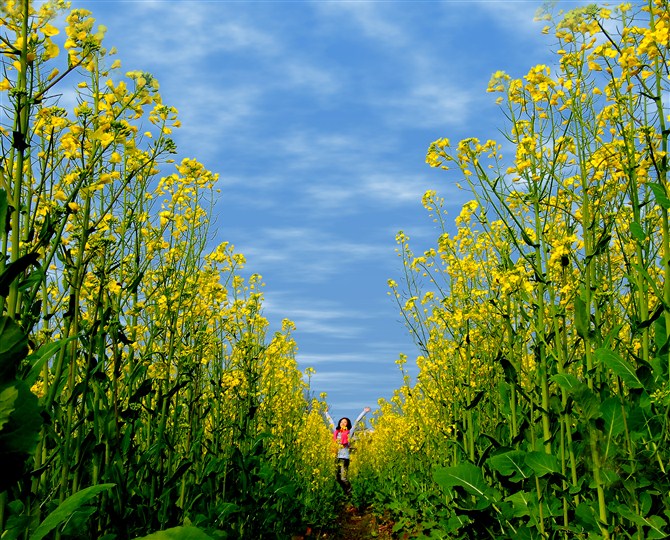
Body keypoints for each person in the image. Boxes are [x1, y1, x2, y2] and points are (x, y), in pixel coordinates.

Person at [324, 406, 371, 496]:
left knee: (343, 478)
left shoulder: (350, 432)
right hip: (337, 457)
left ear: (347, 424)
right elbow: (331, 422)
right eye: (342, 421)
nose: (343, 423)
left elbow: (356, 422)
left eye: (345, 422)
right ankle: (346, 492)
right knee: (337, 478)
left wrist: (364, 411)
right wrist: (326, 413)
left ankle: (350, 490)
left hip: (345, 458)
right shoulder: (336, 432)